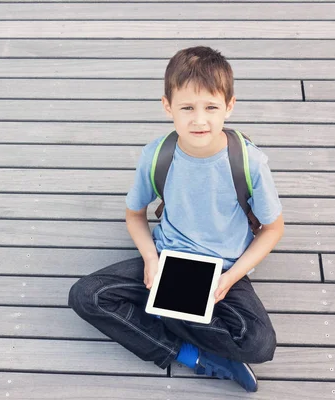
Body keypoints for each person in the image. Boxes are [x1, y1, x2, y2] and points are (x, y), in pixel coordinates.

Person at [68, 46, 285, 392]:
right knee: (86, 295)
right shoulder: (157, 155)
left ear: (229, 106)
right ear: (168, 106)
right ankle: (189, 355)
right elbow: (134, 215)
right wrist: (151, 261)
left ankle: (157, 317)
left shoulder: (249, 162)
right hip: (168, 260)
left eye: (211, 107)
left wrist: (231, 277)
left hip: (222, 267)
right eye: (187, 108)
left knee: (259, 343)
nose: (199, 120)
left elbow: (273, 229)